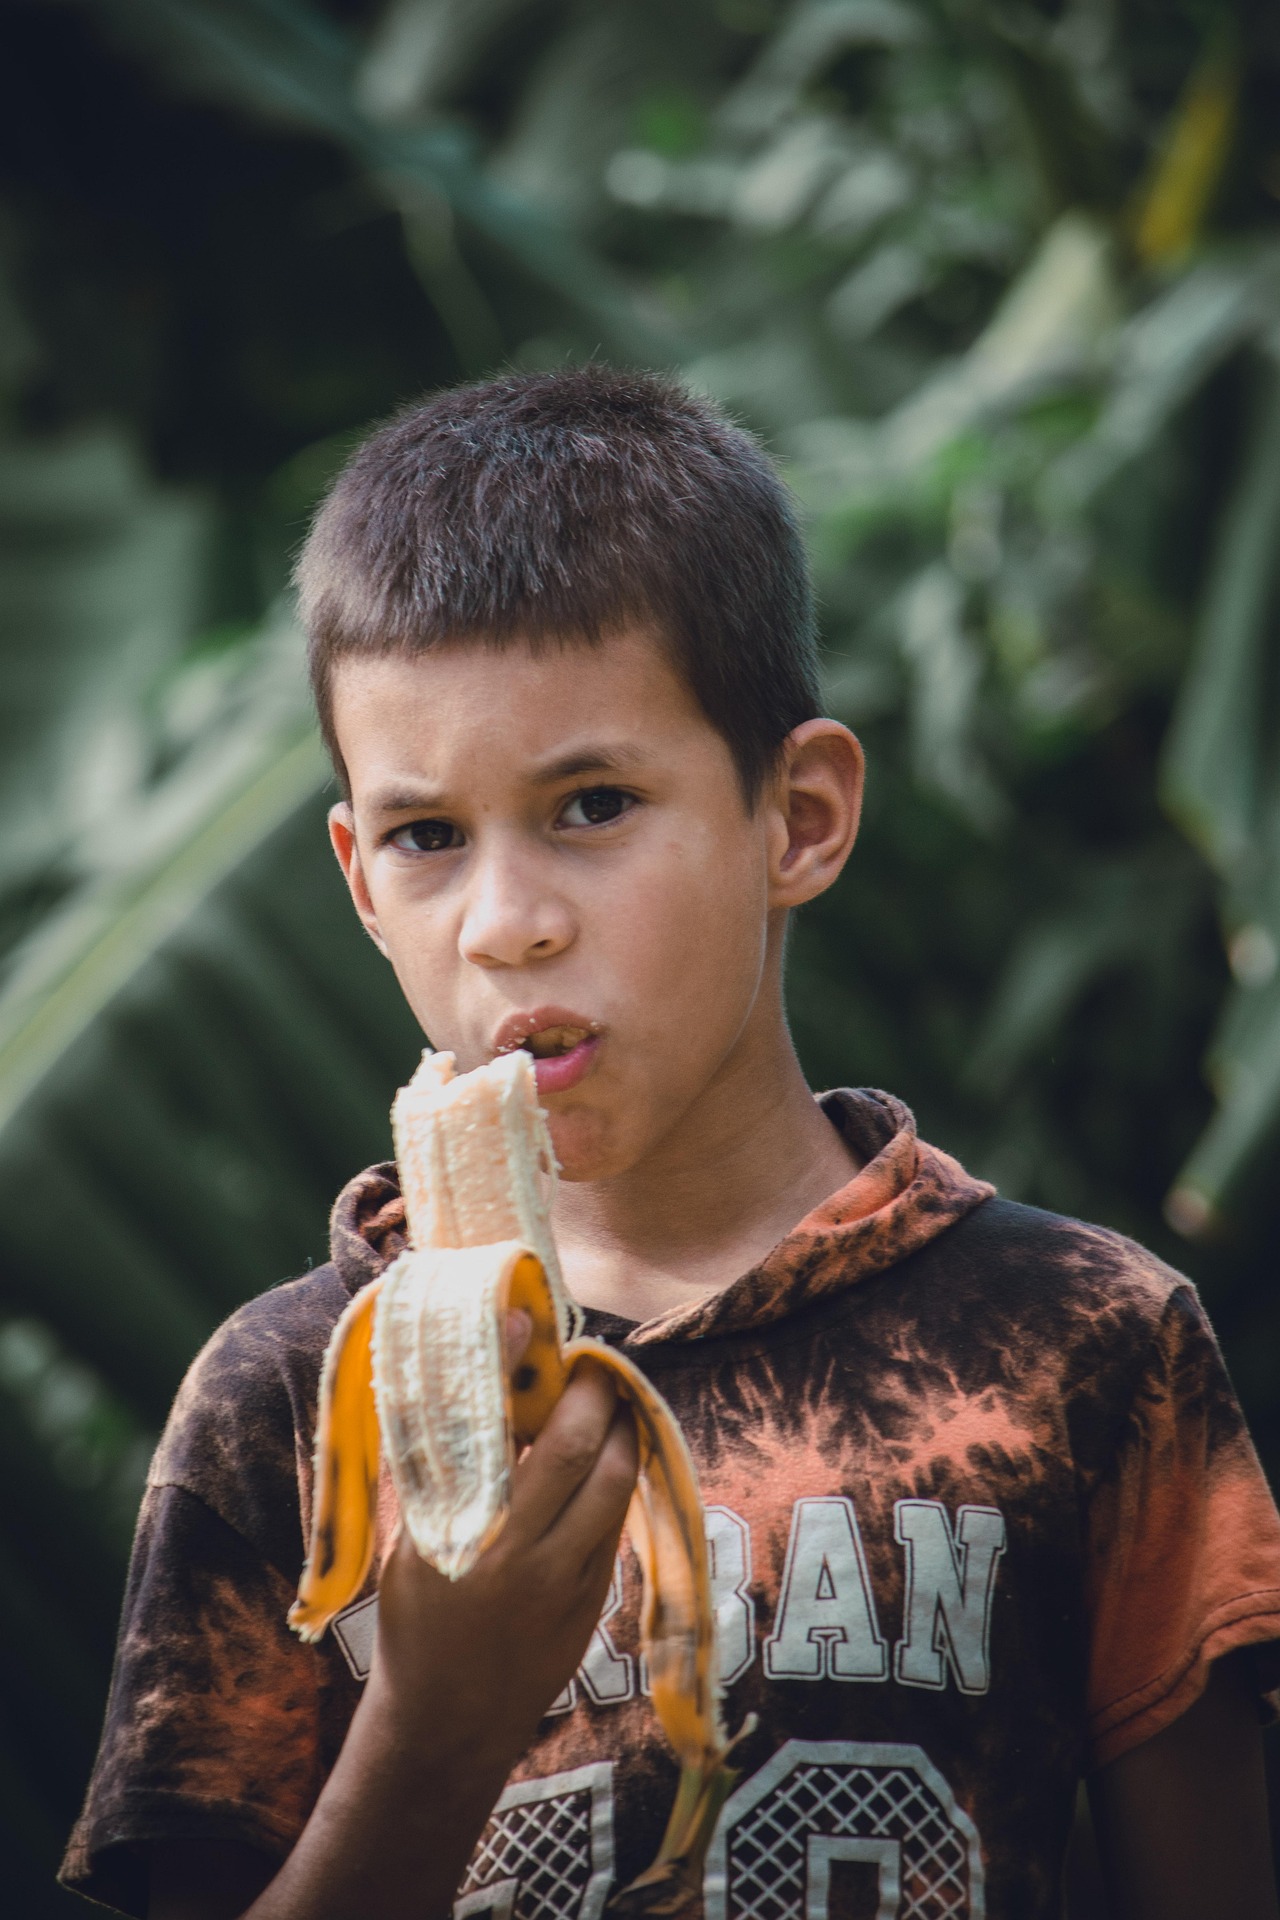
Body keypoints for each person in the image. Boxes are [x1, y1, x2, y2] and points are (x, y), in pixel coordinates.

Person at [61, 366, 1280, 1920]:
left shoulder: (1081, 1348)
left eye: (592, 805)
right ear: (361, 883)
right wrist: (432, 1733)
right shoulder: (285, 1414)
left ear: (802, 817)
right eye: (431, 837)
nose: (509, 924)